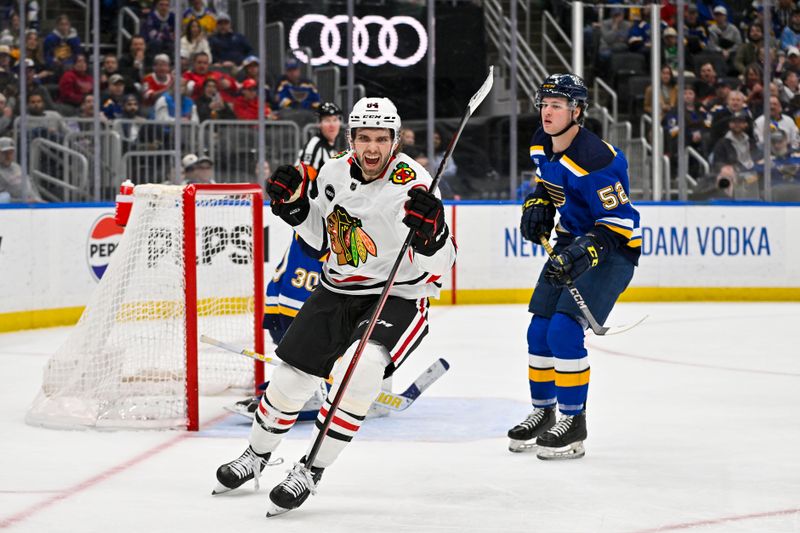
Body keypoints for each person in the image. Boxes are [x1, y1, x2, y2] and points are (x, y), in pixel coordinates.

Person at [213, 97, 456, 515]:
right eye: (364, 138)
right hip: (336, 289)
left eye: (382, 139)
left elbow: (444, 261)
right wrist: (293, 208)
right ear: (351, 138)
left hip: (395, 297)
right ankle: (256, 456)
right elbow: (318, 240)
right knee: (289, 381)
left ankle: (311, 470)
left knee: (356, 374)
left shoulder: (416, 184)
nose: (372, 149)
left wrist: (432, 236)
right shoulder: (333, 172)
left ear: (395, 141)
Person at [507, 74, 640, 460]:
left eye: (557, 106)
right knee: (539, 330)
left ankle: (573, 422)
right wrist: (539, 204)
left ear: (577, 111)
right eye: (544, 104)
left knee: (565, 331)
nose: (547, 112)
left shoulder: (597, 160)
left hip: (612, 251)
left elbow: (620, 225)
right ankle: (544, 412)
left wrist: (587, 252)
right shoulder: (540, 142)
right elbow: (548, 184)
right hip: (570, 241)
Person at [0, 136, 41, 202]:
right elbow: (2, 200)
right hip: (15, 210)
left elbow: (31, 185)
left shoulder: (17, 167)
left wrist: (39, 200)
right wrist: (23, 202)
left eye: (11, 152)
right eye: (5, 153)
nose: (8, 156)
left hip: (33, 206)